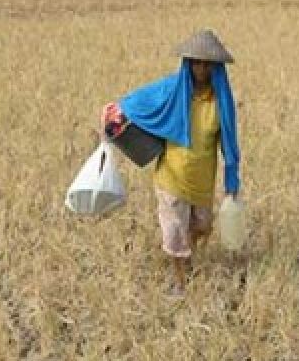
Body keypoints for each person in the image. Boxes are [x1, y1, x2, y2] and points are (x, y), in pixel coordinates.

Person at [101, 29, 242, 296]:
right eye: (196, 63)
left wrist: (232, 180)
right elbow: (134, 103)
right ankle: (179, 280)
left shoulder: (220, 101)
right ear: (188, 64)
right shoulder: (171, 90)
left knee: (202, 226)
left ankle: (184, 255)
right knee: (176, 230)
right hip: (172, 176)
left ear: (216, 67)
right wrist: (114, 112)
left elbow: (230, 142)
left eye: (207, 64)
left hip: (202, 179)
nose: (201, 69)